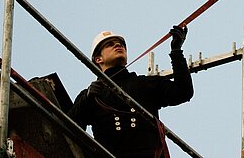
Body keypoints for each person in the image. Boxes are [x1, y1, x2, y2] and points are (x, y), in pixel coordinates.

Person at [69, 26, 194, 158]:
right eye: (109, 44)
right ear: (98, 59)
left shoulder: (145, 84)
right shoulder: (92, 95)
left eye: (121, 44)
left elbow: (183, 92)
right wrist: (86, 99)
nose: (118, 45)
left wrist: (176, 51)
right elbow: (69, 128)